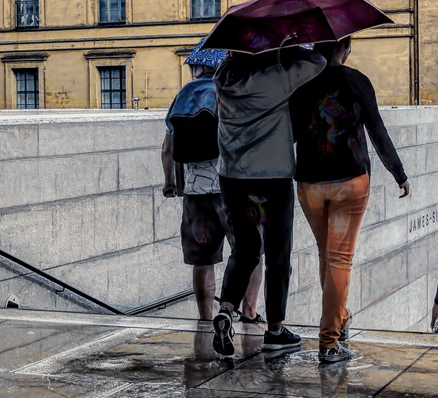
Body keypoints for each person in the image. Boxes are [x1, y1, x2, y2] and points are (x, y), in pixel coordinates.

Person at [289, 37, 409, 363]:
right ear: (345, 47)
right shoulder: (358, 81)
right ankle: (329, 341)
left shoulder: (301, 84)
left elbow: (293, 133)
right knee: (340, 259)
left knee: (326, 255)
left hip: (311, 183)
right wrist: (398, 172)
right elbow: (377, 130)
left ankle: (339, 320)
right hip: (350, 181)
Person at [212, 44, 327, 358]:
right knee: (277, 254)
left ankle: (225, 309)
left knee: (245, 249)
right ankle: (275, 331)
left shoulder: (222, 75)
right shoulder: (277, 76)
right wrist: (285, 49)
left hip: (232, 176)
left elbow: (232, 57)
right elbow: (318, 60)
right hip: (272, 176)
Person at [162, 53, 263, 327]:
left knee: (202, 259)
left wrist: (170, 182)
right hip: (231, 188)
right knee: (250, 250)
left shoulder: (184, 94)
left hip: (195, 192)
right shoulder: (229, 91)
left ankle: (206, 319)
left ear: (198, 65)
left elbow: (168, 147)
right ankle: (249, 313)